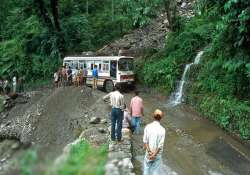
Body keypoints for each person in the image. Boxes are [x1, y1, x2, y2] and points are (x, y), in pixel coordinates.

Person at [143, 109, 166, 175]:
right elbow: (160, 145)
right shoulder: (162, 130)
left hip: (148, 153)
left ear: (153, 116)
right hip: (157, 154)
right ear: (161, 118)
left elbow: (145, 141)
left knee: (146, 169)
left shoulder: (148, 127)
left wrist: (150, 152)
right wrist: (154, 154)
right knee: (155, 171)